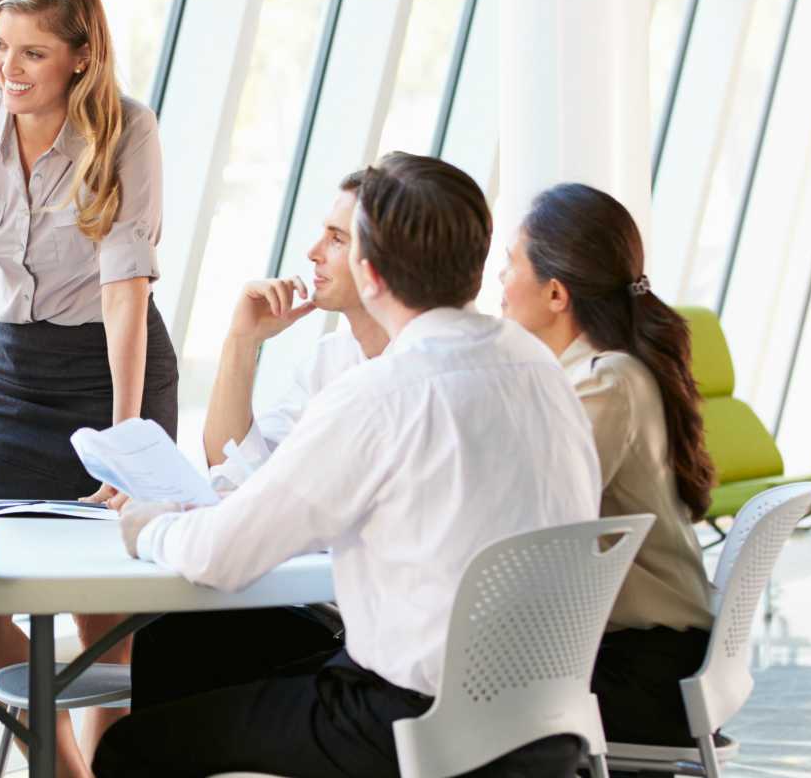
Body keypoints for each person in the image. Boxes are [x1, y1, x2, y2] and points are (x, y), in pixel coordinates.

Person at [100, 152, 599, 778]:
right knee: (194, 650)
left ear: (369, 272)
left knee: (131, 748)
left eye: (338, 239)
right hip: (541, 725)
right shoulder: (540, 370)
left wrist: (150, 527)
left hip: (411, 726)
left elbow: (219, 557)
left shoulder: (385, 392)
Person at [498, 182, 716, 747]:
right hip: (648, 653)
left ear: (555, 294)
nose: (499, 282)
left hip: (647, 670)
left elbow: (536, 520)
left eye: (510, 264)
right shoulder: (602, 373)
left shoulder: (604, 382)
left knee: (442, 705)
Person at [201, 169, 388, 491]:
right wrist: (242, 341)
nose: (313, 252)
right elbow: (232, 474)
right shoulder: (331, 358)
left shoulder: (421, 376)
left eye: (337, 239)